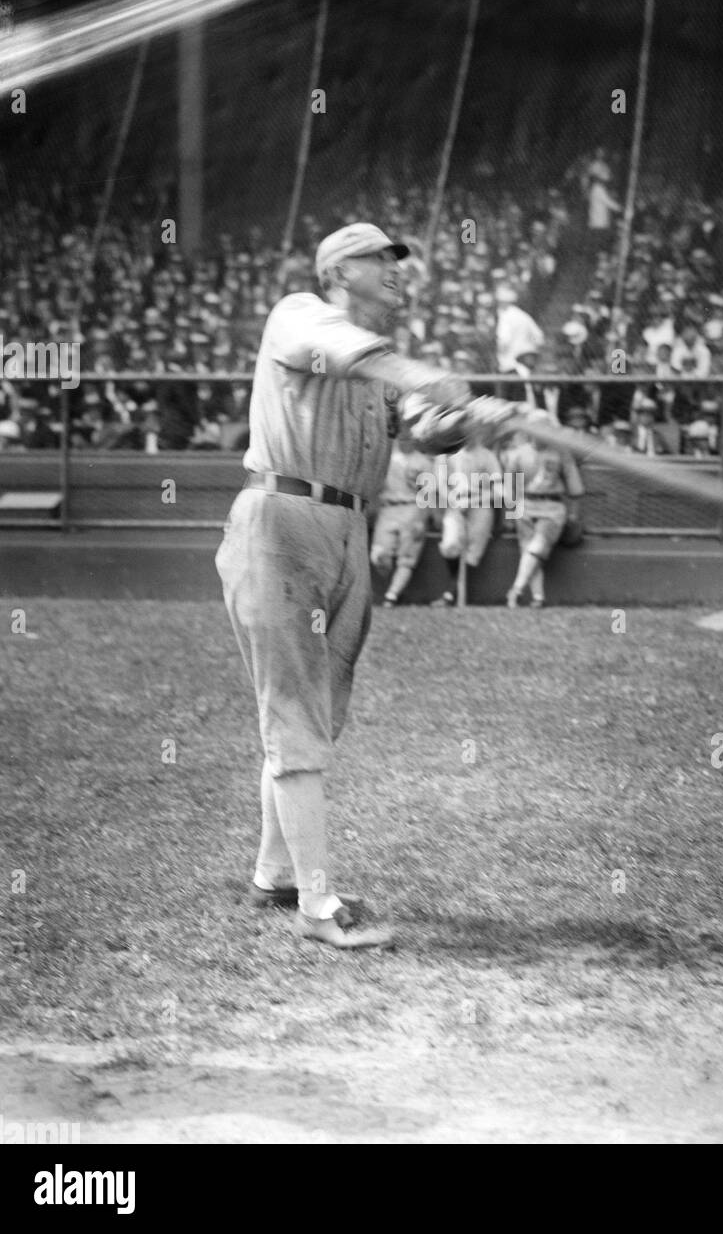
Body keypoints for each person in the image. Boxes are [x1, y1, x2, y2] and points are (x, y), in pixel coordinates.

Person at [215, 223, 470, 951]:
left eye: (398, 262)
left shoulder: (377, 370)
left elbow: (427, 428)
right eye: (379, 259)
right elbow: (359, 357)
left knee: (318, 715)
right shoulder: (299, 314)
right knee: (294, 715)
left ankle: (275, 875)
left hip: (348, 530)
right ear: (337, 270)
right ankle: (317, 906)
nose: (396, 271)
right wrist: (427, 379)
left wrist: (467, 416)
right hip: (281, 518)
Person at [500, 413, 585, 608]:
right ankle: (538, 598)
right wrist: (511, 515)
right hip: (525, 504)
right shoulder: (518, 454)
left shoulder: (561, 453)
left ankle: (516, 589)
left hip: (552, 507)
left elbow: (575, 488)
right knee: (529, 551)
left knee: (536, 547)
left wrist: (573, 514)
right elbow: (510, 488)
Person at [431, 439, 506, 608]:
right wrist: (454, 501)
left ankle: (452, 593)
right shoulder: (445, 454)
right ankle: (453, 590)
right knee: (450, 544)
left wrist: (474, 501)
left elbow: (499, 492)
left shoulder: (487, 456)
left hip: (481, 504)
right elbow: (441, 484)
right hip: (454, 504)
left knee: (473, 551)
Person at [370, 434, 435, 607]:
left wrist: (422, 519)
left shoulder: (423, 462)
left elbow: (427, 495)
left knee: (406, 557)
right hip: (388, 508)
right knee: (378, 555)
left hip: (412, 507)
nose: (405, 438)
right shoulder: (387, 459)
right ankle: (391, 583)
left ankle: (392, 595)